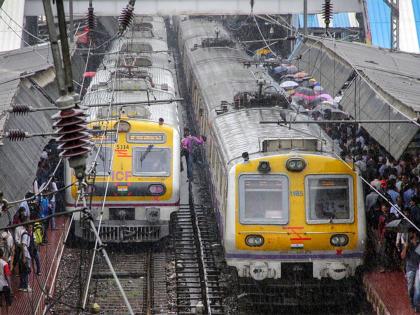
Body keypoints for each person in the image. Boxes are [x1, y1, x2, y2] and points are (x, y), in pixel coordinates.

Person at [401, 229, 420, 309]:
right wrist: (405, 247)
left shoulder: (419, 244)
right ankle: (412, 299)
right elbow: (402, 256)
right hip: (410, 268)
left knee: (418, 287)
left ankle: (416, 305)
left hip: (418, 268)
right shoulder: (407, 245)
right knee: (410, 287)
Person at [18, 225, 32, 292]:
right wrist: (24, 257)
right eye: (30, 227)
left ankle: (22, 286)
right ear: (27, 228)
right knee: (26, 271)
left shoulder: (26, 234)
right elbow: (23, 245)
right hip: (25, 256)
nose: (31, 229)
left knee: (23, 271)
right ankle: (25, 286)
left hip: (24, 255)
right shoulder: (26, 235)